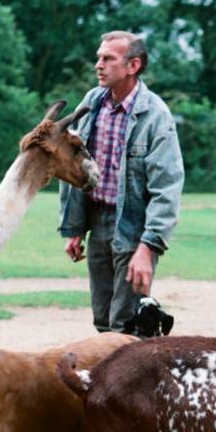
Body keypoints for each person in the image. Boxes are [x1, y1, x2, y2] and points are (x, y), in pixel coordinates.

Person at [57, 31, 185, 332]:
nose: (98, 65)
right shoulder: (92, 102)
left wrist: (148, 247)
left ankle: (147, 358)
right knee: (102, 320)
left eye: (108, 58)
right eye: (98, 58)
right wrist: (75, 228)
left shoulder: (155, 115)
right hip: (97, 220)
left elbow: (167, 188)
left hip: (133, 227)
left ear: (133, 66)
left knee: (125, 325)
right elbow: (72, 162)